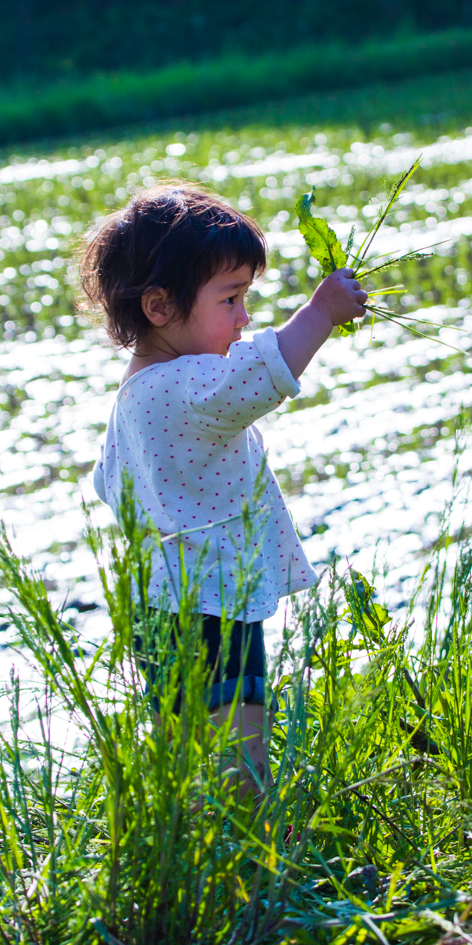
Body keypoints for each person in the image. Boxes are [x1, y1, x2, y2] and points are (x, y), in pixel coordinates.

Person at [81, 181, 366, 796]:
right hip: (211, 605)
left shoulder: (134, 393)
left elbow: (110, 485)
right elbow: (264, 371)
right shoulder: (186, 387)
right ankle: (254, 864)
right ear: (159, 308)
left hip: (158, 604)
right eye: (231, 299)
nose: (244, 318)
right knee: (241, 752)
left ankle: (189, 851)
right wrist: (320, 314)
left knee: (183, 752)